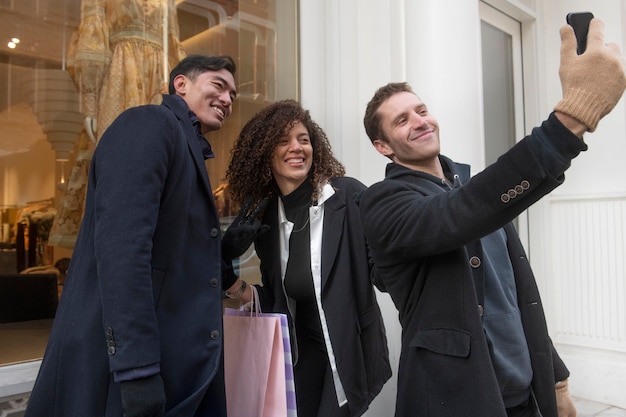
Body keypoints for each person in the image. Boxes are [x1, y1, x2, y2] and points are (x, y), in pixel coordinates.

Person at [358, 19, 626, 417]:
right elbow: (455, 217)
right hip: (456, 400)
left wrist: (556, 378)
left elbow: (516, 293)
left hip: (524, 395)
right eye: (401, 120)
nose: (419, 121)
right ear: (383, 147)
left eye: (421, 110)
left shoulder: (467, 188)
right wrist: (570, 119)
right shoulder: (383, 204)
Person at [25, 54, 238, 417]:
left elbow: (174, 260)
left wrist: (229, 243)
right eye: (218, 85)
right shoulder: (149, 123)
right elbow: (123, 249)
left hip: (175, 369)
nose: (228, 99)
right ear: (180, 84)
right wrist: (136, 369)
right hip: (122, 377)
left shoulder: (185, 147)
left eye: (234, 94)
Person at [223, 99, 392, 417]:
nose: (296, 148)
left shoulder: (347, 196)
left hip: (346, 352)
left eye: (303, 139)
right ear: (265, 153)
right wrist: (230, 277)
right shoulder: (268, 217)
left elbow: (385, 267)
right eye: (283, 141)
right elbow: (280, 295)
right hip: (298, 358)